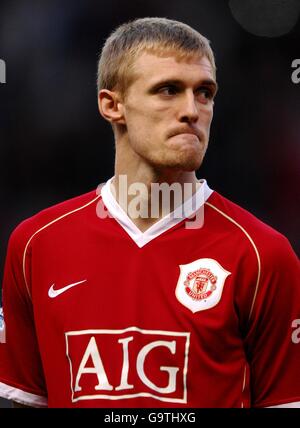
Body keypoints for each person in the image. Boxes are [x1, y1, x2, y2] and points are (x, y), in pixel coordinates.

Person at [0, 17, 299, 409]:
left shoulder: (263, 255)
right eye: (169, 90)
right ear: (112, 105)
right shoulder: (36, 245)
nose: (192, 110)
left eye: (204, 93)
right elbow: (26, 399)